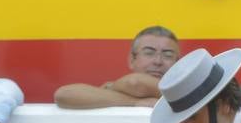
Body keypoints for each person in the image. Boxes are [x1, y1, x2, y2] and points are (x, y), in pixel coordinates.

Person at [53, 25, 181, 109]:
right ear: (132, 59)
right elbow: (63, 95)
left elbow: (136, 83)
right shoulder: (123, 89)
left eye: (168, 55)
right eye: (149, 52)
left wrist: (110, 88)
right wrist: (133, 102)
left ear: (178, 62)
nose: (158, 61)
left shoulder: (187, 91)